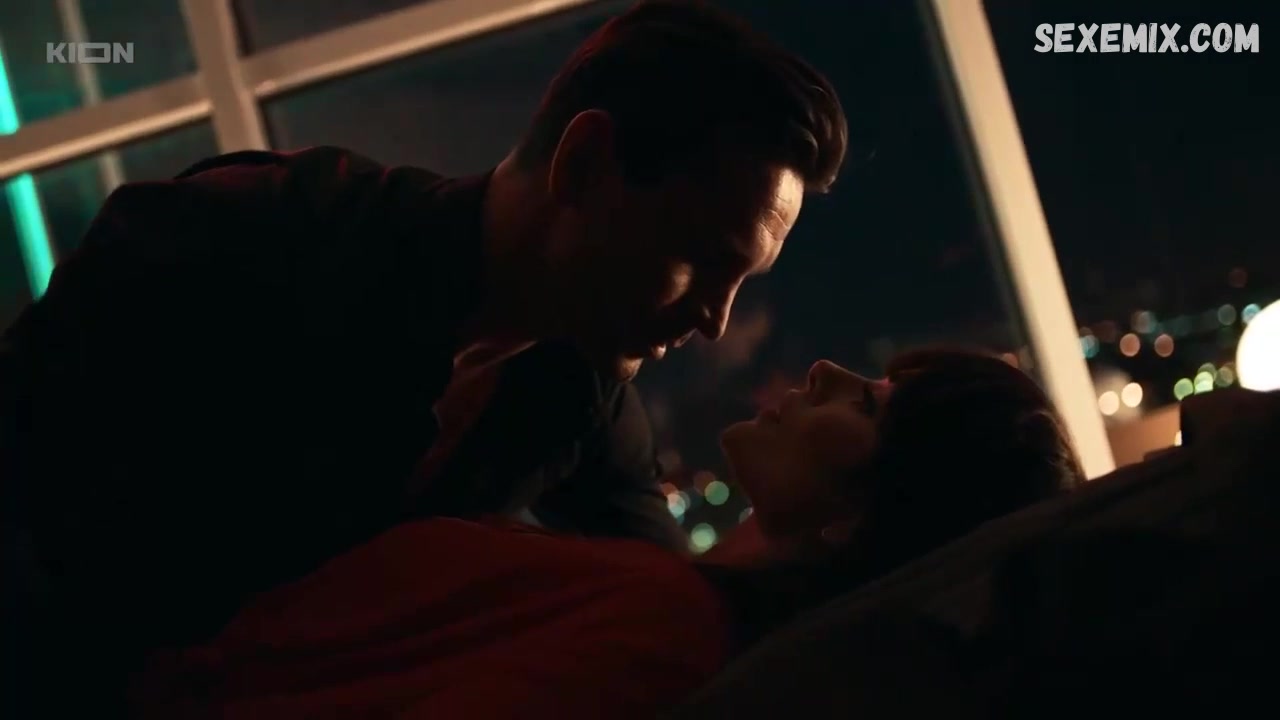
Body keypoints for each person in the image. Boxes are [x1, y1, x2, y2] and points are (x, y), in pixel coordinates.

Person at [0, 1, 847, 715]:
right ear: (585, 164)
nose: (714, 320)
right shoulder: (252, 234)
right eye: (701, 258)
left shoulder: (580, 399)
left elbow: (679, 609)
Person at [132, 349, 1084, 719]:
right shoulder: (668, 596)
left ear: (867, 520)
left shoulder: (668, 630)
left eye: (870, 406)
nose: (828, 371)